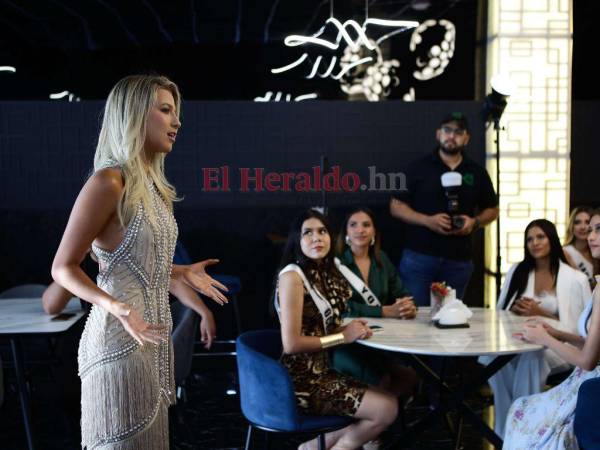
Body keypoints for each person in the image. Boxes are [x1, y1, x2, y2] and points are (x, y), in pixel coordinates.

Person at [51, 74, 228, 449]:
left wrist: (180, 271)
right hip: (117, 340)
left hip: (151, 341)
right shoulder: (108, 182)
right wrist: (115, 306)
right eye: (165, 110)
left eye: (175, 112)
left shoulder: (153, 188)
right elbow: (63, 267)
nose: (177, 122)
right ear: (133, 116)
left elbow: (134, 262)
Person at [276, 209, 397, 450]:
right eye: (307, 233)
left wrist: (351, 327)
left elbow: (324, 327)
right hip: (299, 381)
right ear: (297, 240)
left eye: (322, 231)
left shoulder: (323, 272)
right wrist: (343, 336)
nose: (316, 238)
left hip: (323, 373)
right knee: (386, 409)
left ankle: (313, 448)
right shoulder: (292, 276)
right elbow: (291, 344)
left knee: (390, 397)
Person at [481, 219, 591, 438]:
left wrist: (540, 314)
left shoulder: (575, 278)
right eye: (529, 239)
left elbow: (583, 329)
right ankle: (505, 428)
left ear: (552, 239)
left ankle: (526, 427)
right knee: (496, 358)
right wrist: (516, 310)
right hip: (519, 337)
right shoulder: (518, 271)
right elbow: (500, 311)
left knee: (532, 356)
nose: (535, 243)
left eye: (540, 237)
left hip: (558, 345)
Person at [503, 210, 600, 449]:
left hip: (589, 377)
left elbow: (588, 360)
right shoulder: (519, 272)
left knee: (521, 409)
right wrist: (558, 334)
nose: (591, 236)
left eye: (599, 230)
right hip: (587, 372)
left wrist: (545, 337)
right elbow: (592, 341)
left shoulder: (579, 280)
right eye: (591, 230)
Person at [390, 112, 499, 306]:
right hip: (419, 257)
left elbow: (492, 209)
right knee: (413, 315)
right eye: (447, 130)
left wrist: (474, 222)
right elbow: (396, 207)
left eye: (458, 132)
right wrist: (427, 220)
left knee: (451, 319)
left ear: (466, 138)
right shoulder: (418, 168)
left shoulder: (477, 172)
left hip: (458, 260)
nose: (451, 136)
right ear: (438, 133)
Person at [331, 207, 417, 396]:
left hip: (379, 340)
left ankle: (385, 420)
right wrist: (384, 312)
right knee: (383, 380)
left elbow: (402, 292)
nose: (360, 230)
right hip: (348, 343)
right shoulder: (336, 263)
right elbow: (340, 308)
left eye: (366, 225)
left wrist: (407, 306)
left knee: (409, 376)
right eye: (353, 225)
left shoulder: (382, 260)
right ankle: (373, 418)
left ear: (374, 232)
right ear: (346, 232)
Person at [563, 206, 596, 289]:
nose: (582, 227)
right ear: (571, 226)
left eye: (587, 222)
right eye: (577, 222)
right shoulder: (565, 253)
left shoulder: (596, 252)